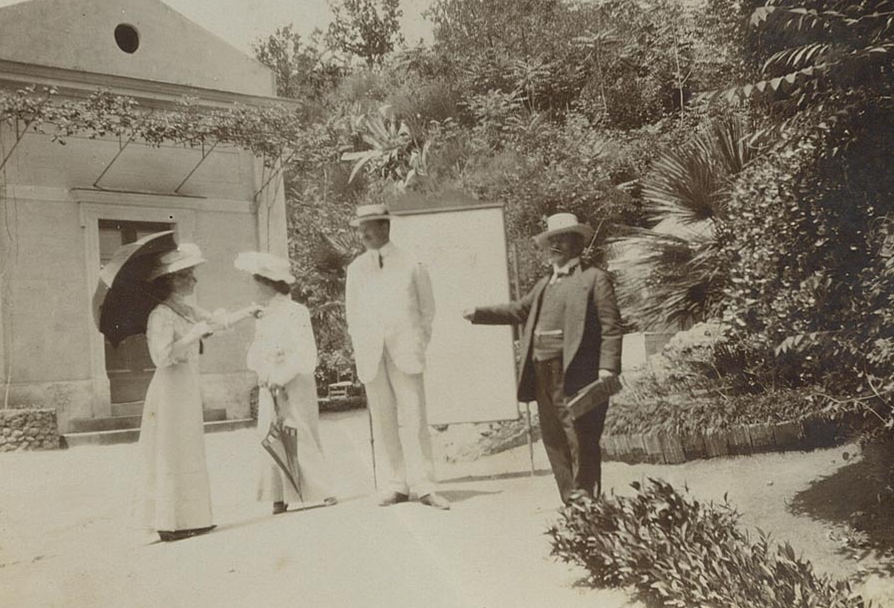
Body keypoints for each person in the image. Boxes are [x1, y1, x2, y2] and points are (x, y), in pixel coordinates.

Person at [464, 213, 622, 504]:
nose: (556, 246)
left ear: (577, 244)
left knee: (579, 435)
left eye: (562, 239)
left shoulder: (594, 279)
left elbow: (611, 326)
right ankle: (570, 500)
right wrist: (479, 313)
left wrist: (607, 367)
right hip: (540, 371)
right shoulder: (544, 283)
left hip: (575, 372)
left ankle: (587, 496)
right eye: (552, 240)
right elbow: (518, 310)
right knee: (552, 437)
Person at [135, 243, 260, 542]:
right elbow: (160, 356)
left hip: (187, 385)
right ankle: (168, 522)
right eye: (188, 275)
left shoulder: (187, 309)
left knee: (188, 447)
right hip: (169, 388)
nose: (194, 280)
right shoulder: (160, 315)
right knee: (170, 449)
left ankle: (191, 518)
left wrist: (248, 312)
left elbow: (218, 322)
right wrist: (193, 335)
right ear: (172, 280)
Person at [344, 204, 450, 511]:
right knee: (384, 419)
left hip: (405, 352)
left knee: (414, 418)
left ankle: (426, 484)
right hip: (372, 355)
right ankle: (396, 484)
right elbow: (352, 314)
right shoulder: (356, 269)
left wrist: (416, 343)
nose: (362, 233)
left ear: (385, 227)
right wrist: (363, 344)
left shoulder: (411, 263)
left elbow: (427, 310)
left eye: (369, 227)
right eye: (360, 228)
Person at [235, 251, 337, 515]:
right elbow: (258, 350)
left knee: (300, 431)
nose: (254, 287)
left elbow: (305, 352)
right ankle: (278, 495)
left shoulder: (295, 311)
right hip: (271, 382)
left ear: (267, 282)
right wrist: (265, 372)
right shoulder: (264, 315)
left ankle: (322, 489)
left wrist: (282, 376)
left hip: (295, 382)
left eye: (256, 281)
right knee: (272, 432)